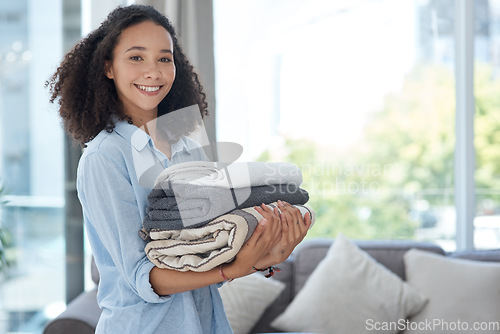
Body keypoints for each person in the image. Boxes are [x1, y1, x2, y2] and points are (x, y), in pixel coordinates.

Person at [47, 4, 311, 334]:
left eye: (164, 58)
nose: (153, 72)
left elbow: (200, 248)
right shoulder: (105, 157)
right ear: (108, 67)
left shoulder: (185, 146)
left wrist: (263, 257)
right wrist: (233, 270)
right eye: (136, 57)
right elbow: (144, 277)